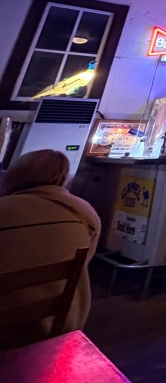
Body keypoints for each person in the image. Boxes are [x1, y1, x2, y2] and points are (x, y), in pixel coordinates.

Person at [0, 149, 101, 348]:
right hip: (61, 326)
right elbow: (84, 263)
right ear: (63, 178)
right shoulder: (84, 213)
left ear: (14, 175)